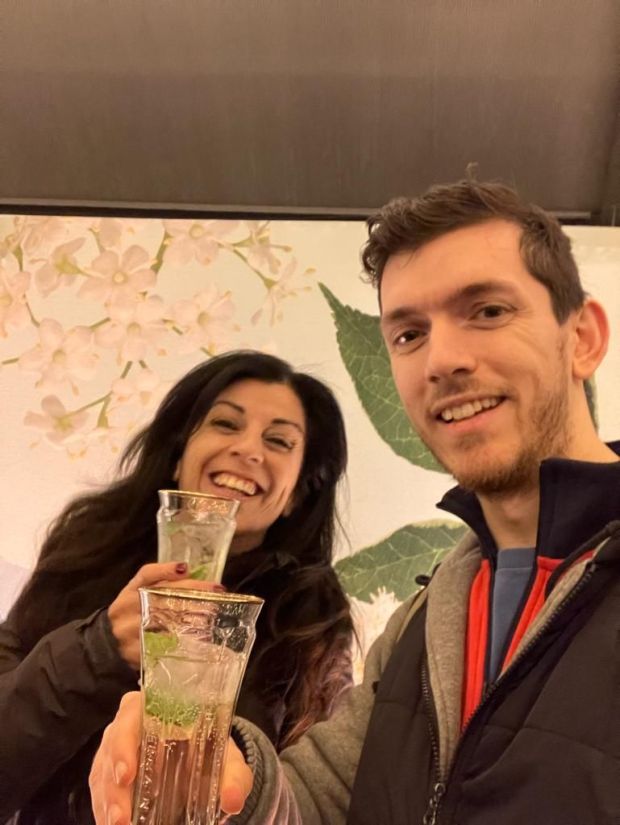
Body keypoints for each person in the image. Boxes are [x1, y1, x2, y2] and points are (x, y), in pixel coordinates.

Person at [91, 178, 620, 825]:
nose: (442, 359)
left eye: (487, 311)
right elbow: (314, 800)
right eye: (409, 334)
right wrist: (228, 775)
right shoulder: (427, 616)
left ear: (583, 337)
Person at [0, 351, 354, 824]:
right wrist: (99, 649)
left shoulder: (313, 621)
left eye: (278, 441)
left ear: (295, 496)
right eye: (226, 424)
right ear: (177, 455)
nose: (249, 450)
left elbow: (309, 803)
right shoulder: (84, 550)